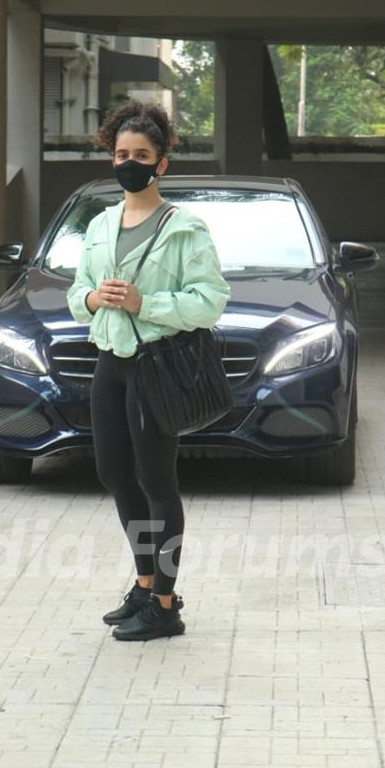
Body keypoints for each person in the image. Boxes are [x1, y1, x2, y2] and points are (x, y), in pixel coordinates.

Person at [66, 100, 231, 641]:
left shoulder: (185, 229)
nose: (129, 162)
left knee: (157, 481)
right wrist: (93, 297)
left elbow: (209, 302)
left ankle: (165, 603)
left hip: (155, 367)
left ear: (162, 164)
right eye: (120, 153)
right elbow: (75, 293)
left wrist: (145, 303)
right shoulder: (100, 224)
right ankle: (143, 585)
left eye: (141, 154)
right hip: (109, 364)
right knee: (115, 476)